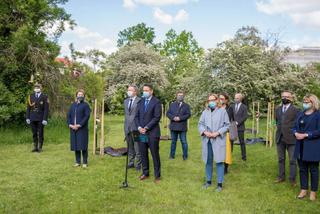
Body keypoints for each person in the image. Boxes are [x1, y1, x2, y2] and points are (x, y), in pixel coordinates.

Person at [198, 94, 230, 192]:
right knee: (208, 161)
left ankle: (219, 184)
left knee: (219, 161)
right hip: (207, 140)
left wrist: (217, 133)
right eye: (209, 100)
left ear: (217, 101)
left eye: (212, 100)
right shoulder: (205, 112)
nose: (210, 102)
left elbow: (227, 125)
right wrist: (204, 132)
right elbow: (200, 124)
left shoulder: (222, 111)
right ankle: (208, 181)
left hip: (218, 140)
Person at [293, 94, 320, 201]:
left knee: (313, 170)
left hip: (313, 146)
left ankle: (313, 192)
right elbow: (294, 127)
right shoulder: (300, 114)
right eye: (304, 101)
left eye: (307, 101)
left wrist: (306, 135)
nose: (304, 103)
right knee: (302, 169)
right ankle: (303, 189)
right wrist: (295, 133)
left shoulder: (318, 115)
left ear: (313, 103)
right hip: (300, 145)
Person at [135, 84, 162, 183]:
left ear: (151, 91)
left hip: (152, 133)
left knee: (154, 154)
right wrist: (139, 127)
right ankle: (145, 173)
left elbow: (156, 117)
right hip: (141, 133)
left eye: (146, 90)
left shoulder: (156, 102)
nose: (144, 92)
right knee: (143, 153)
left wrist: (146, 127)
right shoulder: (140, 102)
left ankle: (157, 175)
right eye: (143, 90)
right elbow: (136, 116)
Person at [274, 91, 300, 186]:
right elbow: (277, 121)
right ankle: (281, 176)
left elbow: (298, 124)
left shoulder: (296, 110)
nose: (284, 98)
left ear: (291, 98)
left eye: (287, 96)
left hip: (291, 138)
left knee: (292, 160)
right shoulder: (277, 109)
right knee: (281, 159)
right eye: (283, 96)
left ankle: (292, 179)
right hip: (280, 137)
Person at [67, 89, 91, 168]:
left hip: (82, 128)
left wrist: (79, 125)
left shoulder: (86, 105)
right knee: (76, 145)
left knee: (83, 145)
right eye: (79, 94)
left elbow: (86, 116)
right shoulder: (73, 105)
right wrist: (70, 124)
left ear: (84, 96)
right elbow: (69, 115)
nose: (80, 96)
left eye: (81, 95)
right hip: (73, 128)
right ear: (76, 95)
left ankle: (85, 162)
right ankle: (77, 161)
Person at [166, 91, 191, 160]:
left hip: (182, 127)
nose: (180, 96)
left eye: (182, 95)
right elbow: (168, 113)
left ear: (183, 96)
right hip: (173, 126)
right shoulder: (172, 105)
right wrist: (173, 117)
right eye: (179, 95)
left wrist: (180, 118)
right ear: (176, 96)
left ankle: (185, 156)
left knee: (184, 142)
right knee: (173, 142)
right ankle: (171, 156)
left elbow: (188, 115)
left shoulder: (186, 106)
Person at [26, 83, 49, 152]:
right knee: (34, 133)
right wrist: (27, 117)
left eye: (38, 87)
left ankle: (40, 147)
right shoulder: (31, 96)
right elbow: (28, 108)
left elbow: (46, 109)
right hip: (32, 117)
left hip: (41, 118)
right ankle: (35, 147)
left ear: (41, 88)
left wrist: (45, 119)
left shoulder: (44, 96)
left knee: (40, 133)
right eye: (35, 87)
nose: (36, 88)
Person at [124, 85, 142, 171]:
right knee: (130, 147)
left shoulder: (140, 101)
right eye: (128, 90)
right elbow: (127, 115)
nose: (129, 92)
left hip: (136, 128)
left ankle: (139, 164)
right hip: (127, 127)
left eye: (130, 90)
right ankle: (131, 163)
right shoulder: (125, 101)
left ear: (135, 92)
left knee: (138, 147)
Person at [219, 93, 234, 174]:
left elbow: (232, 120)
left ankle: (225, 167)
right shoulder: (217, 108)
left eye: (222, 98)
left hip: (227, 132)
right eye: (220, 98)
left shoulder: (230, 109)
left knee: (227, 150)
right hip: (218, 131)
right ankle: (220, 165)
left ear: (226, 100)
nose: (221, 100)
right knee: (219, 149)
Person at [231, 93, 248, 161]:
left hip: (240, 127)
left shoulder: (244, 107)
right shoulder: (232, 106)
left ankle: (244, 157)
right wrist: (232, 122)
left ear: (240, 99)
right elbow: (230, 115)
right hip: (232, 126)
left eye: (237, 98)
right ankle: (229, 155)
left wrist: (238, 122)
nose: (235, 99)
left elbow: (245, 117)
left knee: (242, 142)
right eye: (235, 98)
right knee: (231, 142)